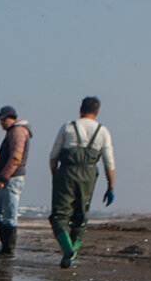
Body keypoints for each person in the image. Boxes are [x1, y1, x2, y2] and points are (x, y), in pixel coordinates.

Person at [48, 96, 114, 268]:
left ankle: (67, 248)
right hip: (89, 174)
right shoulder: (102, 131)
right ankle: (72, 254)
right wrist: (110, 186)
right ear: (97, 112)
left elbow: (53, 156)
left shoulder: (68, 126)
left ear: (80, 109)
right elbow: (109, 163)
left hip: (67, 171)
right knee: (81, 217)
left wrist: (55, 175)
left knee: (58, 216)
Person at [0, 106, 32, 257]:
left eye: (2, 120)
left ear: (9, 118)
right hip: (8, 178)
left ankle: (8, 249)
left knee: (9, 214)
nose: (1, 124)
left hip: (12, 179)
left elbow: (16, 158)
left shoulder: (17, 132)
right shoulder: (14, 132)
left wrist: (2, 177)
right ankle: (5, 247)